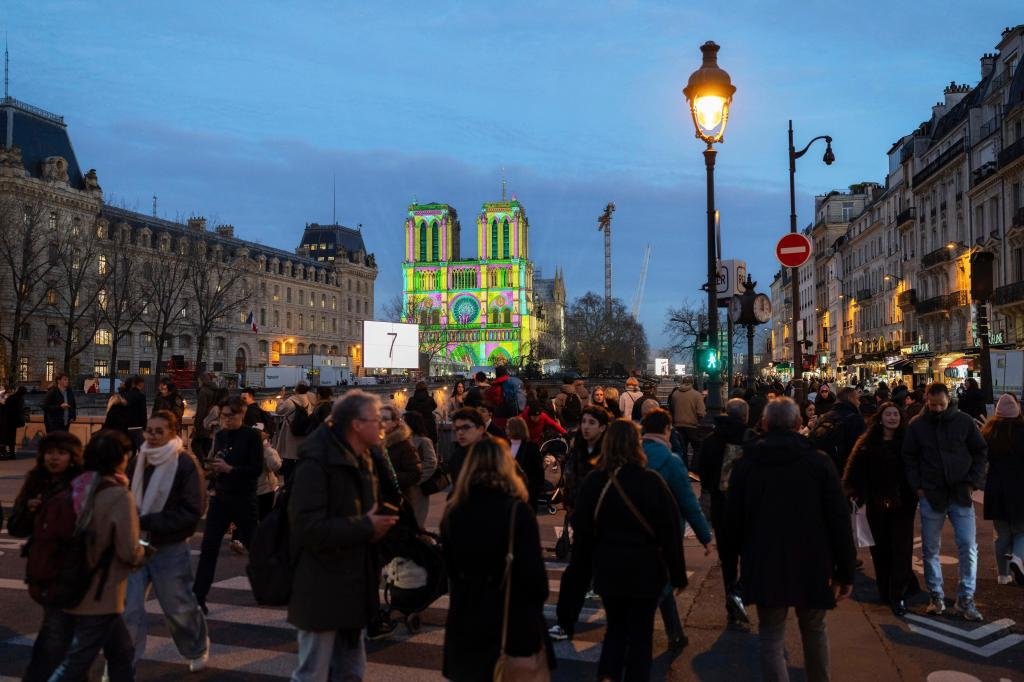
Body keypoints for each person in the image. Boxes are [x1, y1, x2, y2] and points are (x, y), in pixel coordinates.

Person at [728, 397, 856, 682]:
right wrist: (845, 570)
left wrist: (737, 565)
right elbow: (838, 520)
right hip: (812, 560)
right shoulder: (818, 462)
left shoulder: (748, 463)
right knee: (814, 630)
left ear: (764, 423)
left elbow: (733, 520)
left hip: (764, 559)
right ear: (799, 425)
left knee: (771, 636)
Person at [287, 390, 400, 681]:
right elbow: (307, 527)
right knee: (313, 670)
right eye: (376, 420)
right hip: (322, 582)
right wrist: (367, 526)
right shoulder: (317, 463)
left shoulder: (363, 458)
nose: (382, 426)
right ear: (356, 425)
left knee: (351, 669)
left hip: (353, 580)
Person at [569, 419, 687, 681]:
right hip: (645, 570)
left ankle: (608, 676)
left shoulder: (594, 482)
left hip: (609, 569)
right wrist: (677, 573)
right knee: (641, 636)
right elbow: (669, 531)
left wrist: (580, 573)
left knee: (616, 631)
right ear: (637, 445)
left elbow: (582, 530)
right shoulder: (651, 481)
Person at [440, 436, 553, 681]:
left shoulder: (453, 511)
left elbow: (448, 567)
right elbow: (535, 580)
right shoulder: (516, 511)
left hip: (466, 617)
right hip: (509, 618)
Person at [49, 430, 146, 681]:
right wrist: (143, 551)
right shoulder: (118, 495)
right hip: (101, 590)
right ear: (120, 458)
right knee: (79, 660)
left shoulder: (78, 484)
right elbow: (128, 551)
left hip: (71, 580)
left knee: (121, 652)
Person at [123, 411, 209, 672]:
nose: (152, 436)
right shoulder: (139, 460)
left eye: (159, 431)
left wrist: (148, 521)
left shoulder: (184, 464)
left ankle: (196, 646)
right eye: (149, 430)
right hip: (136, 543)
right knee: (129, 611)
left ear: (173, 432)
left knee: (178, 606)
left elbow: (193, 510)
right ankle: (122, 667)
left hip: (168, 545)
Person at [903, 382, 988, 620]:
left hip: (959, 492)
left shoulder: (963, 422)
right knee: (931, 549)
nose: (938, 409)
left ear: (948, 400)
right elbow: (909, 456)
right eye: (933, 405)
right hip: (933, 493)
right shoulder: (918, 425)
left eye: (941, 404)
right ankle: (937, 596)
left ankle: (965, 598)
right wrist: (918, 486)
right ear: (927, 402)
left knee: (968, 547)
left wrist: (972, 481)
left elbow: (980, 451)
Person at [8, 432, 84, 681]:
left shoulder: (80, 484)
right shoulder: (36, 481)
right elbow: (16, 527)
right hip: (46, 570)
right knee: (66, 639)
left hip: (71, 571)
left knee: (54, 639)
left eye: (61, 453)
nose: (54, 458)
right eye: (50, 452)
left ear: (72, 457)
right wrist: (30, 511)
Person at [641, 408, 712, 650]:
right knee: (661, 581)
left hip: (633, 529)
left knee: (657, 579)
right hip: (664, 532)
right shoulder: (671, 461)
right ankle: (645, 632)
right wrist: (705, 536)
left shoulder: (632, 454)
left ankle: (675, 633)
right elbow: (688, 502)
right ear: (667, 430)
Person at [842, 402, 918, 616]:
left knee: (901, 549)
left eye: (896, 414)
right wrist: (854, 492)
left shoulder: (908, 443)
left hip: (903, 504)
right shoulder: (867, 443)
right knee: (880, 549)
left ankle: (898, 594)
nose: (892, 418)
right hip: (876, 503)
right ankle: (885, 590)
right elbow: (853, 471)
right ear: (880, 418)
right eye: (888, 414)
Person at [192, 397, 263, 613]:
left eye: (231, 416)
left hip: (244, 498)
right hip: (221, 497)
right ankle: (199, 596)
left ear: (241, 415)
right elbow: (218, 459)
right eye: (223, 415)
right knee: (208, 548)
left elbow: (256, 469)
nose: (226, 420)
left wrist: (230, 469)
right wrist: (212, 468)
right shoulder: (220, 436)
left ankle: (264, 588)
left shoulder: (252, 436)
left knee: (255, 548)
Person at [549, 405, 611, 642]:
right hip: (584, 521)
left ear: (603, 427)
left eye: (591, 423)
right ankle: (564, 623)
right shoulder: (578, 449)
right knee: (575, 574)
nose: (585, 426)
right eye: (584, 421)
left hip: (605, 522)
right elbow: (571, 480)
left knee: (609, 574)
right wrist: (571, 505)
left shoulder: (609, 452)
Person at [697, 398, 752, 627]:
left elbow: (701, 472)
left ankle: (732, 606)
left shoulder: (710, 440)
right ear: (745, 416)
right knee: (751, 557)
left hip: (721, 507)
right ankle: (739, 594)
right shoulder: (751, 439)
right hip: (747, 508)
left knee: (728, 561)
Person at [979, 393, 1024, 585]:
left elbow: (982, 462)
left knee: (1002, 535)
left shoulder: (989, 433)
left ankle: (1003, 575)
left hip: (996, 489)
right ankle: (1017, 557)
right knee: (1022, 531)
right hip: (1020, 489)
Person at [811, 386, 866, 474]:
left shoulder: (826, 416)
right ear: (850, 398)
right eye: (857, 399)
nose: (859, 402)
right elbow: (858, 448)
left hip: (824, 466)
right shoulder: (855, 418)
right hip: (844, 468)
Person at [274, 382, 315, 484]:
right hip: (304, 433)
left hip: (291, 433)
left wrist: (280, 399)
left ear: (296, 390)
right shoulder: (310, 400)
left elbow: (279, 411)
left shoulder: (291, 400)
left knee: (289, 459)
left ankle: (289, 485)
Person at [403, 410, 438, 526]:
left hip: (418, 488)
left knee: (418, 522)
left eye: (404, 421)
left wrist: (417, 479)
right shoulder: (402, 441)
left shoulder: (424, 441)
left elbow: (431, 463)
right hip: (405, 487)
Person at [381, 404, 423, 501]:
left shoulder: (404, 444)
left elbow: (415, 473)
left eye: (385, 419)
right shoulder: (376, 443)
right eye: (378, 419)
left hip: (400, 498)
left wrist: (390, 478)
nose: (380, 423)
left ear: (395, 422)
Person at [506, 416, 545, 511]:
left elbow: (538, 474)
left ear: (515, 429)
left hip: (526, 495)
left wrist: (532, 493)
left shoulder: (531, 448)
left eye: (508, 427)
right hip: (509, 495)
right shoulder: (505, 446)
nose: (506, 430)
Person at [448, 407, 491, 484]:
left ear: (480, 429)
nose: (460, 432)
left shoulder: (495, 453)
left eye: (466, 427)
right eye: (457, 429)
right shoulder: (456, 457)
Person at [255, 424, 283, 520]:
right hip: (250, 490)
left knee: (265, 517)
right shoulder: (246, 447)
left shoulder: (268, 450)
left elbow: (275, 466)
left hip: (265, 489)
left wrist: (267, 449)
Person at [190, 374, 219, 460]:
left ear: (202, 381)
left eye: (199, 381)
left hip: (203, 422)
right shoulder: (215, 390)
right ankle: (208, 464)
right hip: (213, 421)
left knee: (195, 445)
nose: (199, 382)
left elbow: (201, 410)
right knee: (207, 445)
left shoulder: (203, 391)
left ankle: (204, 463)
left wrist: (196, 424)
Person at [0, 384, 27, 459]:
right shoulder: (21, 399)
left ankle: (4, 453)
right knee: (11, 437)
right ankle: (12, 454)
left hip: (7, 421)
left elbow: (6, 408)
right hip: (14, 422)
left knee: (4, 437)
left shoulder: (12, 398)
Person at [124, 376, 149, 450]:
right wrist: (145, 427)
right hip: (137, 427)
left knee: (129, 451)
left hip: (127, 427)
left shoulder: (126, 395)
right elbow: (143, 413)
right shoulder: (141, 396)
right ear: (141, 384)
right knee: (143, 450)